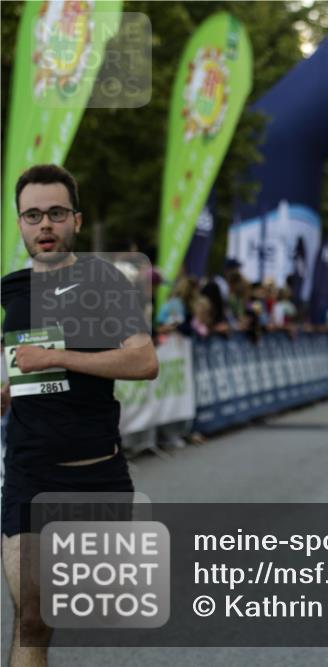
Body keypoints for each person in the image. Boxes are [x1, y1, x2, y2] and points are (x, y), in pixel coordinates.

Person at [1, 164, 159, 666]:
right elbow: (22, 370)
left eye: (56, 212)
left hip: (95, 475)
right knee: (31, 618)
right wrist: (8, 390)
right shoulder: (11, 290)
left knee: (74, 609)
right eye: (32, 215)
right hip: (28, 474)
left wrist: (59, 356)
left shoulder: (103, 281)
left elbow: (144, 361)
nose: (44, 224)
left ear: (76, 220)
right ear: (19, 223)